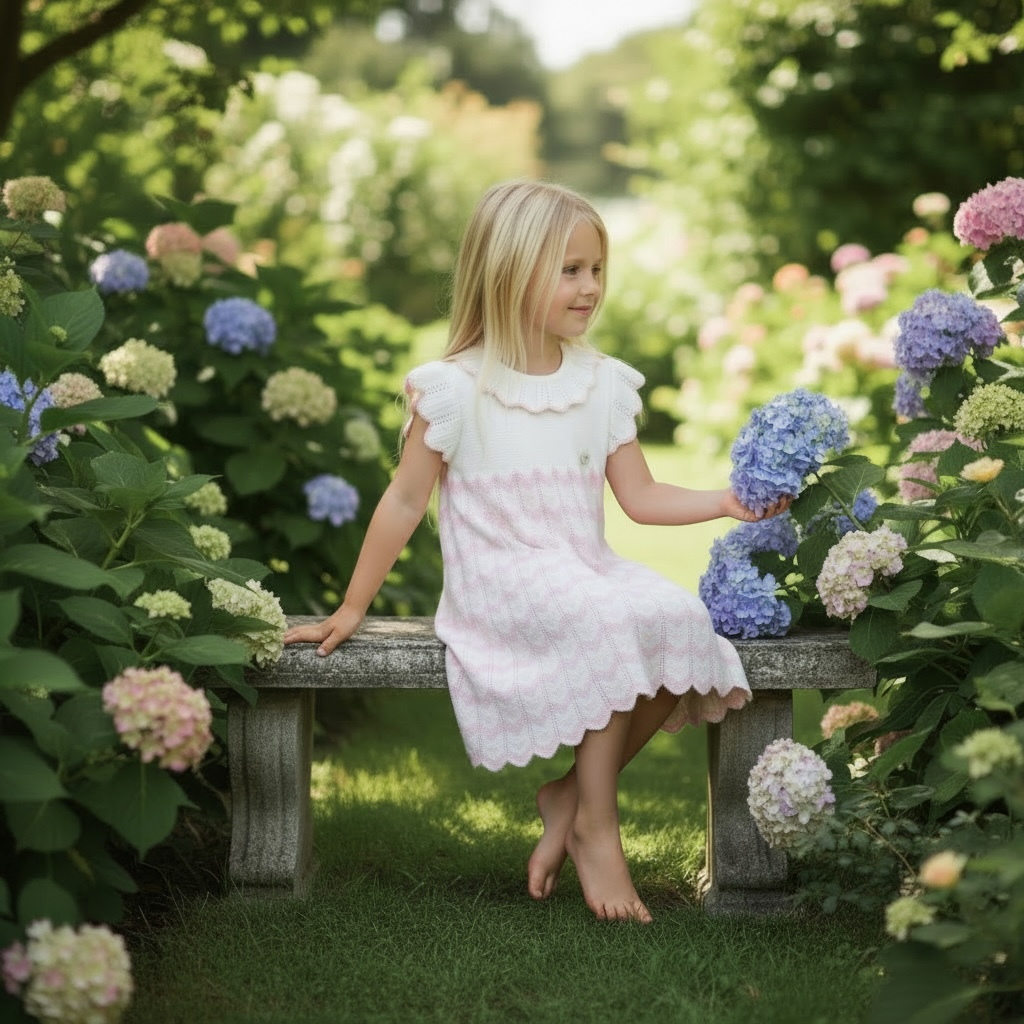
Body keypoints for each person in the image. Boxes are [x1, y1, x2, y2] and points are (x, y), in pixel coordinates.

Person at [284, 179, 791, 924]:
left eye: (596, 269)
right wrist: (353, 605)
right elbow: (402, 501)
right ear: (507, 271)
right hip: (502, 583)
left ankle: (569, 798)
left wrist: (721, 503)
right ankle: (597, 824)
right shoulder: (454, 389)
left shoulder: (602, 384)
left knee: (678, 616)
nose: (590, 287)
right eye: (570, 270)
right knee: (608, 623)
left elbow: (640, 497)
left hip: (583, 572)